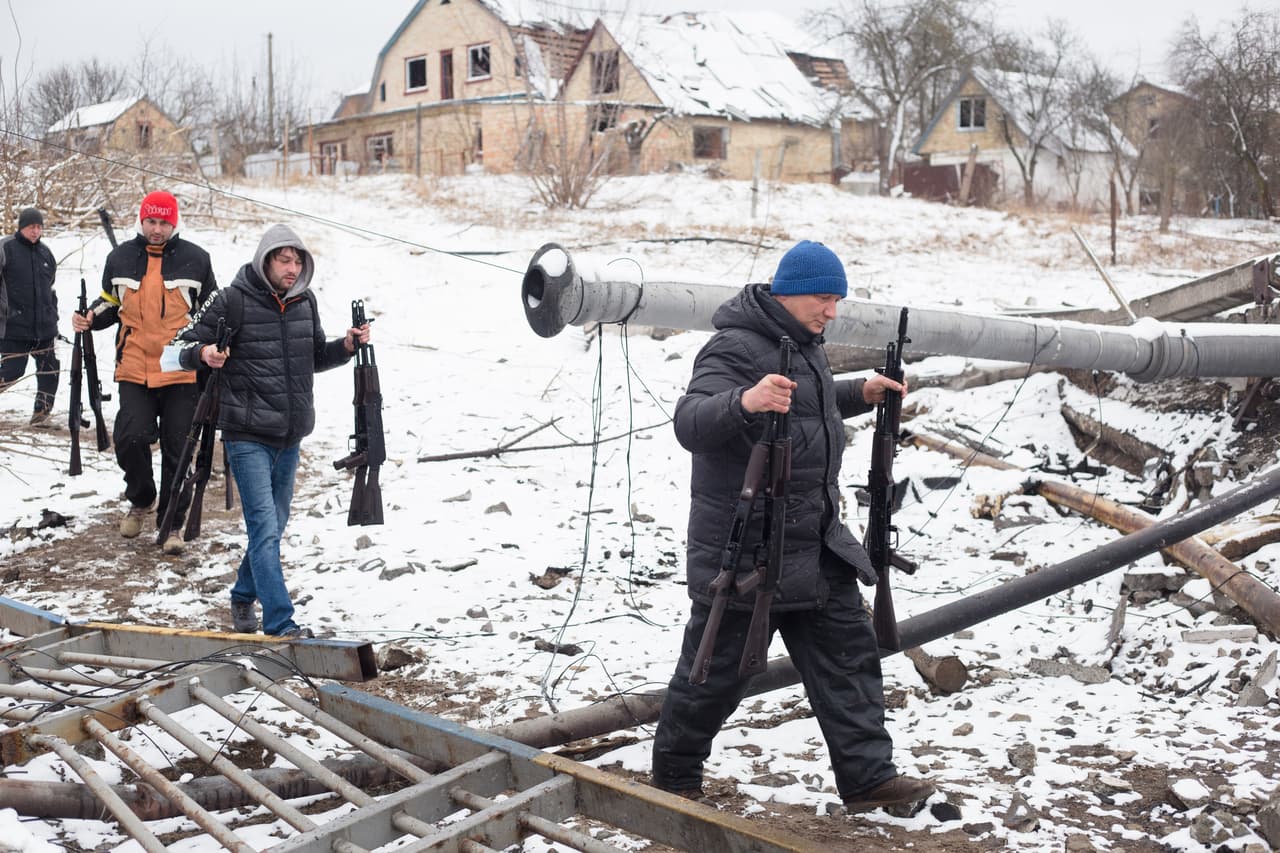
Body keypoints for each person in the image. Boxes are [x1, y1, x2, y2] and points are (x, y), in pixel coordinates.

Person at [650, 240, 936, 815]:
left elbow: (807, 406)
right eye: (824, 298)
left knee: (850, 663)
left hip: (817, 543)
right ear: (789, 292)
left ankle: (869, 780)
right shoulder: (732, 346)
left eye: (837, 300)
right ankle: (674, 777)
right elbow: (690, 422)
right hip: (749, 555)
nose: (832, 311)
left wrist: (860, 392)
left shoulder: (804, 345)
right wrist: (745, 401)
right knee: (713, 679)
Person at [170, 224, 369, 639]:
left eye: (298, 261)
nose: (292, 268)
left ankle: (243, 594)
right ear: (266, 259)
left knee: (274, 526)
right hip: (246, 437)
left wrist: (345, 347)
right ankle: (281, 624)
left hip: (290, 437)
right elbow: (174, 352)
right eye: (284, 259)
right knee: (263, 527)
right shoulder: (230, 300)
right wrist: (204, 352)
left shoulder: (305, 302)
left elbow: (314, 356)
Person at [71, 191, 217, 555]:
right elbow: (110, 303)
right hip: (134, 366)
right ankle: (142, 498)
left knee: (178, 449)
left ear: (174, 222)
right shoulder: (119, 257)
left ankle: (172, 524)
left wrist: (208, 347)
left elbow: (213, 310)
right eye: (151, 221)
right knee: (131, 437)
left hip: (182, 369)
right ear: (141, 221)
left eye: (164, 222)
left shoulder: (197, 259)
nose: (156, 229)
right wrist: (90, 316)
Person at [0, 207, 59, 424]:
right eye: (31, 227)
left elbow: (50, 287)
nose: (35, 231)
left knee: (49, 370)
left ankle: (41, 416)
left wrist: (53, 316)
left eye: (39, 227)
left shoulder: (45, 253)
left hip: (44, 328)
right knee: (11, 372)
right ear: (21, 227)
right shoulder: (6, 248)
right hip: (14, 327)